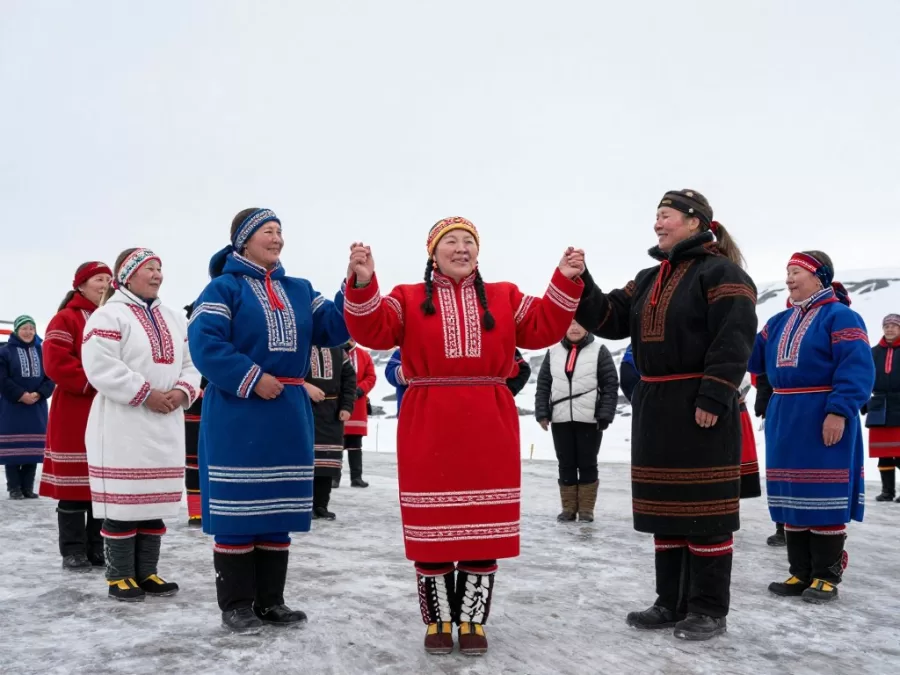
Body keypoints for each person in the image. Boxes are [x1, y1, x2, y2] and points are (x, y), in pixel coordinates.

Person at [343, 216, 584, 655]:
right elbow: (371, 329)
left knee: (482, 530)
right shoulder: (407, 297)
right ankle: (438, 620)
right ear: (432, 253)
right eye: (450, 242)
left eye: (468, 242)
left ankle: (472, 619)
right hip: (428, 420)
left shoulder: (504, 296)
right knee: (433, 526)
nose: (460, 248)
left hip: (489, 422)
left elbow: (544, 326)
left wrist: (563, 280)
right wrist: (362, 282)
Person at [574, 190, 757, 641]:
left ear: (695, 222)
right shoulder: (647, 278)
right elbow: (611, 317)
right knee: (667, 511)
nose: (658, 224)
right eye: (656, 216)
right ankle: (670, 603)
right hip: (656, 407)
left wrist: (715, 396)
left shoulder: (723, 274)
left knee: (705, 511)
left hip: (699, 403)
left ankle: (709, 609)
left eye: (666, 216)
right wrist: (580, 280)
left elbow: (733, 339)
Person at [188, 207, 349, 633]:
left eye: (280, 231)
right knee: (239, 511)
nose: (277, 239)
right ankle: (237, 604)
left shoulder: (299, 289)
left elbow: (334, 327)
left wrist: (357, 283)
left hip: (287, 414)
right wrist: (253, 378)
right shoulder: (223, 289)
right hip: (238, 412)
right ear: (243, 240)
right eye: (267, 231)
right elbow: (204, 344)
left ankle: (271, 601)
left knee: (276, 511)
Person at [749, 251, 874, 604]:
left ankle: (825, 574)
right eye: (787, 272)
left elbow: (856, 369)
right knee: (792, 496)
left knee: (823, 496)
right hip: (785, 413)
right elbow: (753, 357)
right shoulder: (777, 321)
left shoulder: (841, 317)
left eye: (796, 272)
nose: (789, 278)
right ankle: (799, 571)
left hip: (823, 413)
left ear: (819, 277)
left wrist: (839, 411)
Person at [82, 248, 201, 601]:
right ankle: (119, 575)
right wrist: (145, 392)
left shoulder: (174, 319)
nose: (157, 275)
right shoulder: (108, 316)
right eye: (149, 268)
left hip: (166, 421)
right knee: (124, 503)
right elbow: (101, 366)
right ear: (128, 274)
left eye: (160, 269)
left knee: (154, 503)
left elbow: (192, 362)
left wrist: (181, 392)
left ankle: (147, 572)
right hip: (123, 420)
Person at [40, 261, 112, 569]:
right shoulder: (65, 319)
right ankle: (72, 549)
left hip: (109, 407)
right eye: (99, 279)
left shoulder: (113, 318)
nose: (105, 285)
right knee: (73, 487)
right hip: (75, 406)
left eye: (110, 279)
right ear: (80, 284)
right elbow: (56, 363)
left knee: (100, 486)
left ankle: (97, 547)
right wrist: (98, 380)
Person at [534, 319, 618, 522]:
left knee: (588, 463)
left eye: (580, 323)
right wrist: (542, 413)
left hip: (589, 419)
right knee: (566, 463)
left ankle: (587, 510)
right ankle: (569, 509)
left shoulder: (600, 351)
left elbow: (610, 385)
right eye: (570, 323)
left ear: (587, 326)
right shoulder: (552, 353)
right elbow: (544, 384)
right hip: (561, 418)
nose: (574, 327)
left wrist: (605, 414)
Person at [0, 315, 55, 499]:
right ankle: (14, 488)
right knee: (13, 449)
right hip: (12, 406)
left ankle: (27, 487)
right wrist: (21, 395)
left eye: (31, 328)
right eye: (24, 328)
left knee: (33, 450)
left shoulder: (42, 351)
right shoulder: (5, 352)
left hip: (36, 406)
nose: (28, 331)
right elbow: (2, 379)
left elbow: (50, 376)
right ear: (16, 330)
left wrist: (39, 394)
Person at [387, 347, 530, 417]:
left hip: (472, 413)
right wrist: (415, 370)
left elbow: (522, 370)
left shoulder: (486, 343)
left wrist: (504, 394)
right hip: (414, 414)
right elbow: (390, 373)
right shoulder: (404, 350)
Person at [305, 345, 356, 519]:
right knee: (307, 463)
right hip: (306, 408)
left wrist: (347, 406)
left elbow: (349, 379)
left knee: (327, 464)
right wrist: (305, 387)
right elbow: (289, 373)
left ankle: (321, 505)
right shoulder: (302, 344)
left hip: (332, 411)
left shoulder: (337, 349)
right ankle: (305, 506)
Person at [866, 313, 900, 501]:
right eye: (886, 326)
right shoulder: (873, 352)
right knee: (883, 452)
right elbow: (863, 378)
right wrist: (863, 401)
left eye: (894, 325)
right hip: (879, 405)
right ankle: (887, 491)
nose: (890, 329)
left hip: (899, 403)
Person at [336, 338, 376, 488]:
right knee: (336, 443)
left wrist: (360, 389)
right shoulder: (335, 352)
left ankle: (356, 477)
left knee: (355, 443)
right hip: (337, 403)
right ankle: (334, 477)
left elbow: (371, 377)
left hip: (357, 405)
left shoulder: (364, 355)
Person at [752, 372, 785, 545]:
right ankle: (782, 526)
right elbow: (764, 372)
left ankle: (815, 530)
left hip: (813, 408)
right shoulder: (770, 342)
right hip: (778, 405)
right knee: (779, 468)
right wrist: (763, 405)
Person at [183, 303, 207, 526]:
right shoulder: (184, 342)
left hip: (217, 408)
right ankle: (196, 510)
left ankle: (214, 507)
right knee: (193, 460)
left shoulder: (220, 340)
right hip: (193, 409)